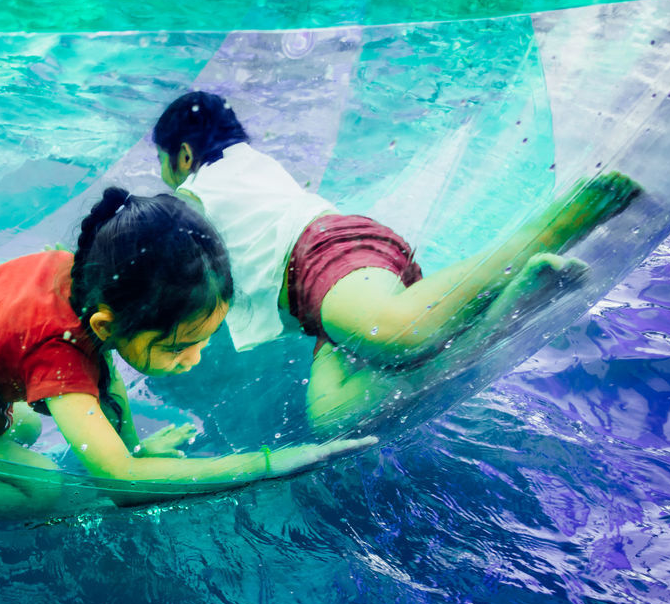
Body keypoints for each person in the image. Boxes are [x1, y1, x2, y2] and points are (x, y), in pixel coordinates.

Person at [0, 189, 373, 514]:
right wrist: (267, 465)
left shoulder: (84, 275)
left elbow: (105, 381)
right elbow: (119, 481)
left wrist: (137, 444)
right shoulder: (60, 352)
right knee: (40, 487)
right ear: (105, 322)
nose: (192, 360)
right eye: (177, 347)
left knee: (18, 432)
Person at [152, 90, 641, 431]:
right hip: (323, 295)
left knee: (400, 333)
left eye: (162, 161)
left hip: (324, 258)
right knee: (333, 415)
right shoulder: (251, 167)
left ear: (184, 155)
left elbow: (176, 255)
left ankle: (563, 220)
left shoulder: (200, 188)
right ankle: (521, 296)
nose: (163, 175)